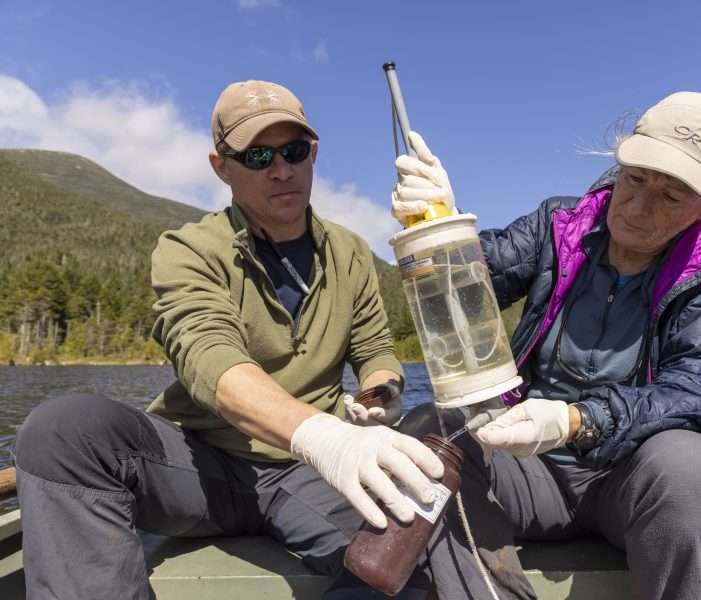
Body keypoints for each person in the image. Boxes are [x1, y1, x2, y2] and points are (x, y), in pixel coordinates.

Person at [14, 80, 445, 599]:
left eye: (293, 151)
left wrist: (384, 392)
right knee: (61, 432)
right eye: (257, 155)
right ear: (222, 167)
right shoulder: (188, 250)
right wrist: (322, 436)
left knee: (403, 561)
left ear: (313, 153)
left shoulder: (351, 252)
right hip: (200, 466)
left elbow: (374, 348)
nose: (281, 169)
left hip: (310, 477)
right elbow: (210, 358)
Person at [391, 91, 701, 600]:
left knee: (693, 472)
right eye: (634, 179)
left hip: (638, 480)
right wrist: (442, 227)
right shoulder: (558, 224)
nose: (637, 206)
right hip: (531, 474)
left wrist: (576, 420)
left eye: (671, 195)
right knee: (430, 436)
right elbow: (473, 283)